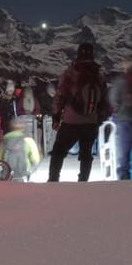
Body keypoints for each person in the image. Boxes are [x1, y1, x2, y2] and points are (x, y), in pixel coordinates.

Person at [47, 42, 109, 182]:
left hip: (71, 121)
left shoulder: (70, 73)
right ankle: (83, 181)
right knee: (86, 153)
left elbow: (60, 97)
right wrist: (99, 118)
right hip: (91, 121)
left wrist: (56, 117)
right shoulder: (98, 75)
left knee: (59, 151)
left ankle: (53, 180)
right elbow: (104, 100)